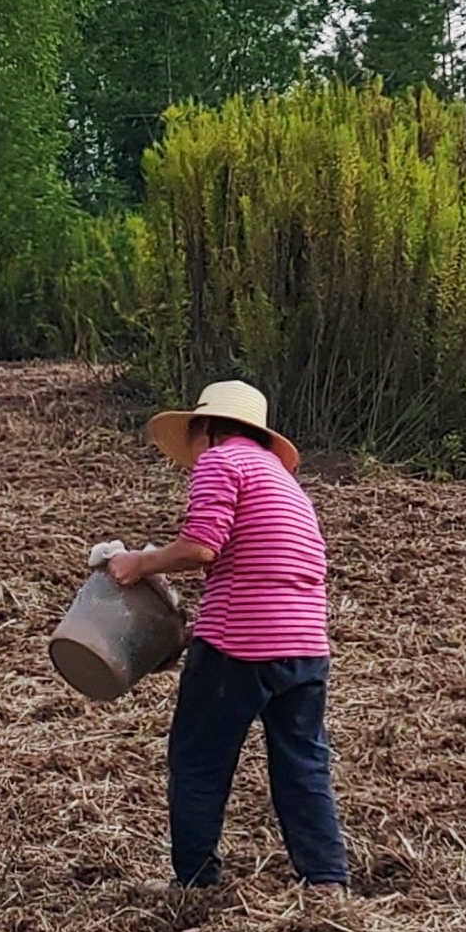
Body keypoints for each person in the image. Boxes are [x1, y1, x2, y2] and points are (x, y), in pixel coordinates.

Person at [95, 380, 350, 896]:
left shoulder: (221, 462)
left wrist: (136, 564)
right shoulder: (280, 479)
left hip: (240, 645)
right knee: (302, 761)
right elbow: (264, 567)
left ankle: (196, 881)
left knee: (198, 759)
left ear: (205, 430)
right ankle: (326, 878)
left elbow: (201, 548)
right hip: (304, 644)